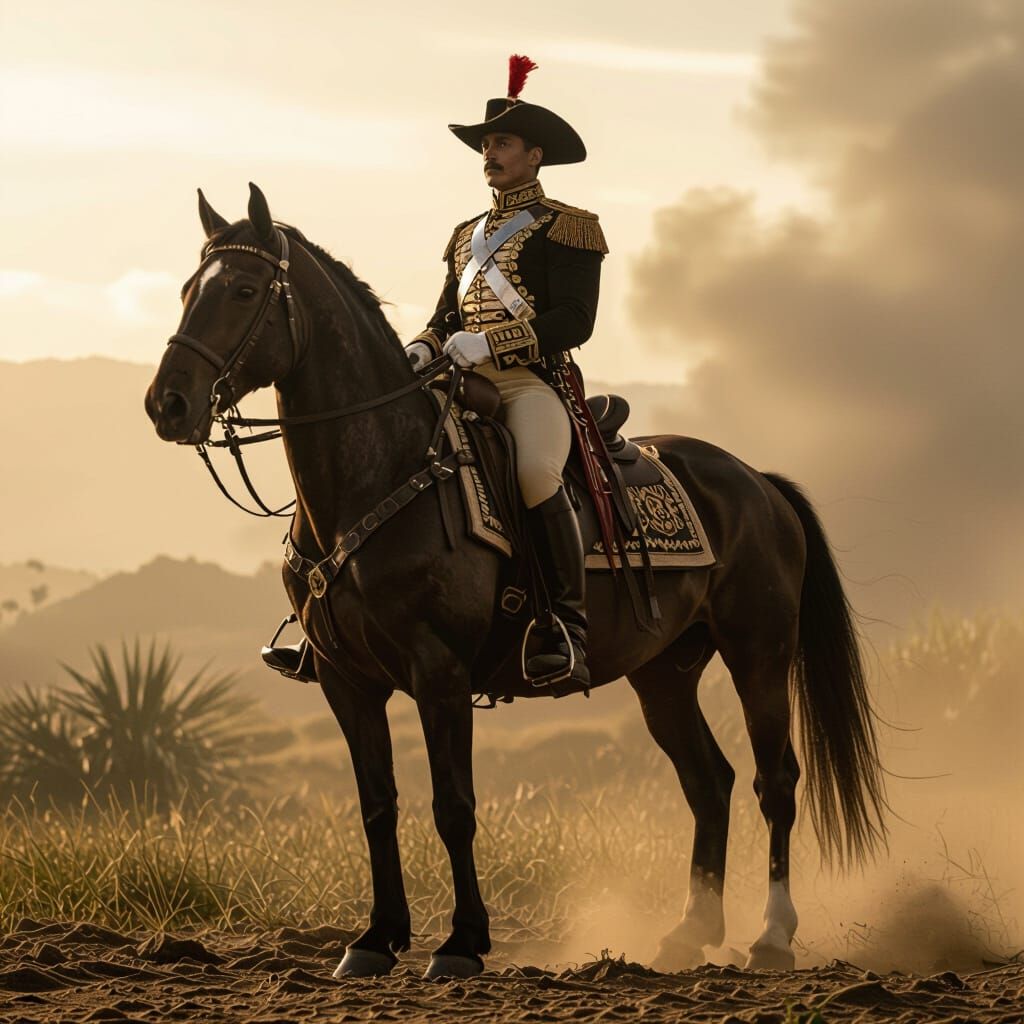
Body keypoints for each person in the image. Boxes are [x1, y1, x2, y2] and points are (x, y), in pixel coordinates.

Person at [404, 56, 607, 688]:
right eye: (486, 144)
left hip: (528, 384)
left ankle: (566, 626)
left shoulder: (568, 227)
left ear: (535, 156)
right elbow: (445, 314)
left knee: (535, 474)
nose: (489, 154)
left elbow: (574, 320)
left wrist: (490, 342)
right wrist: (422, 346)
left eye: (503, 143)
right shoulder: (465, 235)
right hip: (454, 384)